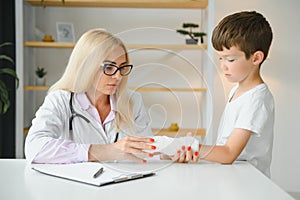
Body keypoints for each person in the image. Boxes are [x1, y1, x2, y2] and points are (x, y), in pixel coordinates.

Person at [25, 29, 156, 164]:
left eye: (122, 67)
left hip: (124, 182)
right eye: (109, 67)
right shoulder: (60, 100)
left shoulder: (132, 100)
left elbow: (147, 149)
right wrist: (108, 151)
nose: (118, 76)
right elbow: (34, 148)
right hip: (76, 184)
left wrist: (168, 155)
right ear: (87, 66)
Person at [172, 11, 275, 177]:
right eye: (221, 58)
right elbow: (225, 146)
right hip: (232, 175)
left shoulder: (257, 99)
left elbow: (229, 153)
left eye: (230, 59)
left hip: (249, 181)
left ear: (256, 58)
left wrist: (194, 147)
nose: (223, 66)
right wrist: (192, 146)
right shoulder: (237, 90)